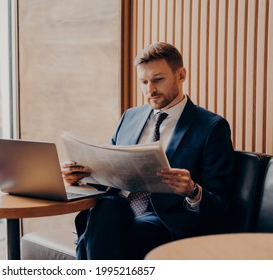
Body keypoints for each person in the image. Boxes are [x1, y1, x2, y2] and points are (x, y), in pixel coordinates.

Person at [61, 42, 235, 260]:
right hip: (117, 210)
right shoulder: (130, 117)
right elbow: (109, 174)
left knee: (96, 235)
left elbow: (221, 203)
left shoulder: (211, 127)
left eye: (158, 80)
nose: (150, 90)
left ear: (181, 75)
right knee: (105, 207)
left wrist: (193, 190)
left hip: (165, 220)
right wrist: (80, 175)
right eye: (143, 82)